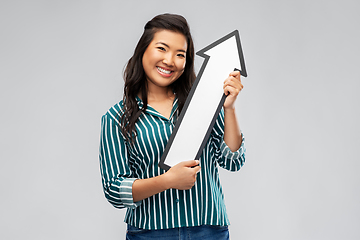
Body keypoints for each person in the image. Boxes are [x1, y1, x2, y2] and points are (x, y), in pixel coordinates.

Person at [99, 13, 246, 240]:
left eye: (180, 54)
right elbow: (115, 190)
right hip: (150, 233)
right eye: (162, 49)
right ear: (143, 51)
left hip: (208, 231)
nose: (170, 61)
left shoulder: (203, 102)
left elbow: (233, 161)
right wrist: (167, 180)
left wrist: (229, 108)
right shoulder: (116, 118)